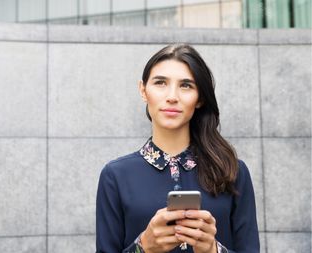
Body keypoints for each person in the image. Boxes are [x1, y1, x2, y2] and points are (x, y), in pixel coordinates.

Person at [95, 44, 259, 253]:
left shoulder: (233, 171)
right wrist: (144, 247)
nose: (172, 96)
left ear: (199, 98)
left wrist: (212, 250)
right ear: (143, 90)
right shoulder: (116, 176)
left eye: (186, 85)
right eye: (160, 83)